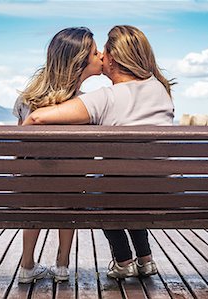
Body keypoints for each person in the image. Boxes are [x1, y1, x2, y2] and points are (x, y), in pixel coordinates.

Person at [23, 25, 175, 279]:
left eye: (103, 53)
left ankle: (124, 260)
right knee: (124, 187)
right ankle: (145, 258)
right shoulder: (161, 89)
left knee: (97, 191)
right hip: (161, 194)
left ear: (114, 60)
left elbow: (37, 119)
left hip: (118, 195)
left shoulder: (104, 98)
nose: (101, 58)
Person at [13, 27, 103, 283]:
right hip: (71, 193)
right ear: (80, 61)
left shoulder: (26, 100)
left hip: (31, 193)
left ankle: (27, 265)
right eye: (96, 53)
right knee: (72, 187)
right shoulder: (86, 105)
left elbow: (20, 151)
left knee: (35, 185)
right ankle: (62, 265)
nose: (101, 57)